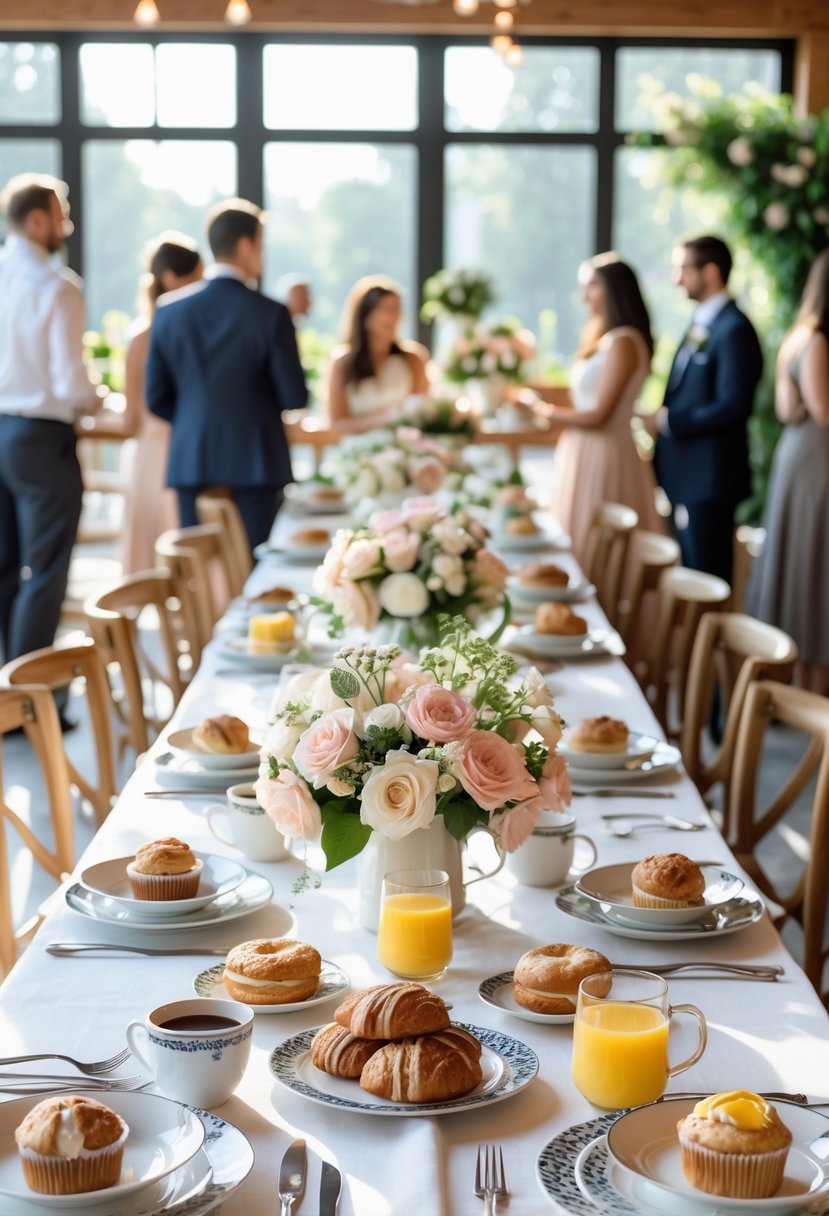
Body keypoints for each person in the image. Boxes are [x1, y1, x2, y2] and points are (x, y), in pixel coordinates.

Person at [145, 198, 308, 551]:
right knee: (254, 573)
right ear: (247, 245)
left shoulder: (169, 312)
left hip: (192, 458)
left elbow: (155, 397)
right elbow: (295, 397)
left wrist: (195, 418)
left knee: (196, 569)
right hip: (258, 460)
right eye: (261, 246)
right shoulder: (271, 313)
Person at [0, 173, 96, 715]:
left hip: (0, 430)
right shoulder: (58, 286)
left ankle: (6, 700)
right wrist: (98, 397)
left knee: (5, 566)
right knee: (44, 570)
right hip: (41, 437)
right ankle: (30, 706)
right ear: (38, 219)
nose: (67, 224)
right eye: (62, 213)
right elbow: (68, 385)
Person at [653, 234, 763, 584]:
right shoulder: (704, 322)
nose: (676, 278)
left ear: (711, 272)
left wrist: (671, 421)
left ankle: (709, 639)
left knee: (708, 578)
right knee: (690, 574)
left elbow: (733, 405)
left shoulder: (734, 329)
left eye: (683, 268)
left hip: (710, 478)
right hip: (685, 475)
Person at [541, 252, 664, 566]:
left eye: (593, 285)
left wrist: (544, 413)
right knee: (578, 542)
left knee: (603, 555)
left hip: (605, 454)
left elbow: (600, 415)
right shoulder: (605, 340)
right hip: (583, 451)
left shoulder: (624, 342)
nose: (585, 295)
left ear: (615, 289)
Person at [747, 249, 829, 695]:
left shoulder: (799, 335)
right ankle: (813, 690)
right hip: (817, 460)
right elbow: (823, 409)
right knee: (814, 565)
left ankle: (811, 687)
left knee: (811, 562)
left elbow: (786, 407)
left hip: (802, 456)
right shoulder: (817, 340)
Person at [116, 233, 203, 574]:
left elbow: (128, 420)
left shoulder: (141, 337)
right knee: (182, 555)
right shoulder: (181, 335)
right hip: (172, 455)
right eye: (197, 278)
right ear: (171, 279)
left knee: (146, 558)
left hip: (147, 455)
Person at [325, 275, 430, 435]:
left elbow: (422, 411)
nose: (394, 317)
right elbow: (336, 424)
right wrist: (387, 417)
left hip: (404, 448)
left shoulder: (413, 358)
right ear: (366, 315)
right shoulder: (343, 362)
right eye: (387, 309)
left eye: (398, 309)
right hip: (356, 452)